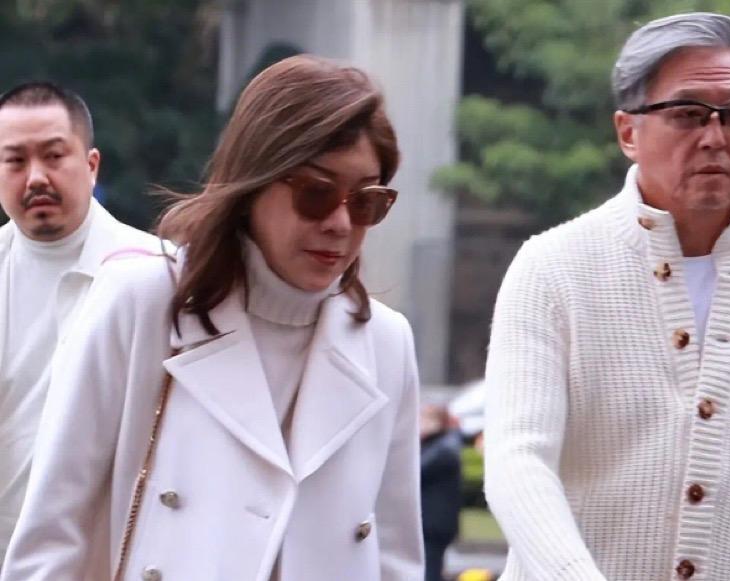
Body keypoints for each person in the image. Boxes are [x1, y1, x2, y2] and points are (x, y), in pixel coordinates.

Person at [2, 55, 423, 580]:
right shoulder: (142, 300)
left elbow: (395, 560)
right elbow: (51, 537)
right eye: (315, 194)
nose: (340, 223)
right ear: (253, 183)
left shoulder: (386, 342)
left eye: (366, 202)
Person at [484, 12, 730, 581]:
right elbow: (518, 461)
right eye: (687, 113)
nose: (715, 136)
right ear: (628, 132)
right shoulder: (552, 269)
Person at [0, 81, 163, 564]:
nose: (36, 178)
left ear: (92, 165)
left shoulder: (160, 276)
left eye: (54, 156)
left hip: (118, 559)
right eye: (15, 161)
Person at [419, 404, 462, 581]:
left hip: (433, 524)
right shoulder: (438, 445)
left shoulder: (443, 449)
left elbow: (417, 472)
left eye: (425, 419)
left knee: (430, 569)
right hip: (434, 523)